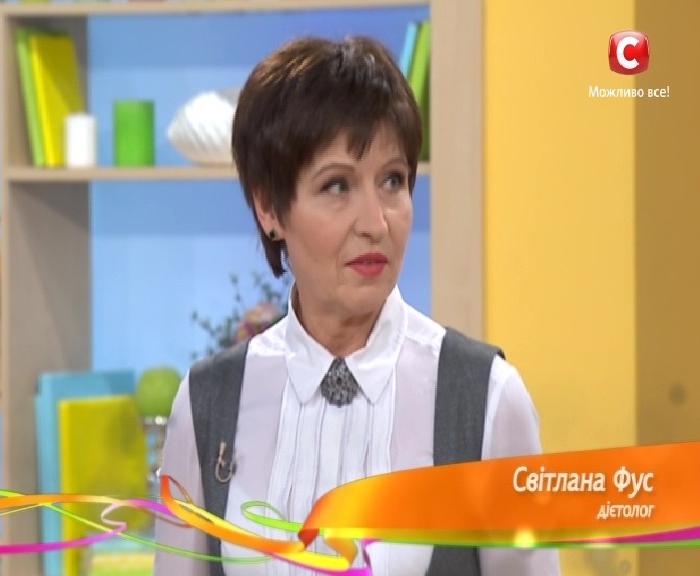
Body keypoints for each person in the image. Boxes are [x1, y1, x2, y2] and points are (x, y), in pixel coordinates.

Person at [154, 35, 561, 576]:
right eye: (337, 186)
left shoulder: (487, 400)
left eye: (393, 180)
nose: (376, 222)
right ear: (269, 207)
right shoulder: (208, 406)